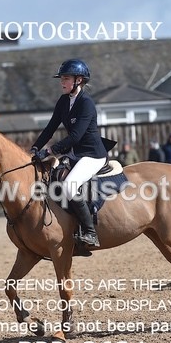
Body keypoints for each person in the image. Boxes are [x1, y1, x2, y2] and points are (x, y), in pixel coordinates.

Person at [30, 59, 106, 248]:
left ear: (78, 80)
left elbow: (75, 136)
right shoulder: (64, 101)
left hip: (92, 155)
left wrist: (50, 150)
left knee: (70, 186)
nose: (62, 82)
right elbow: (50, 128)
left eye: (66, 78)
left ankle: (90, 232)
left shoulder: (86, 103)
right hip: (75, 154)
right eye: (61, 78)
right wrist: (35, 147)